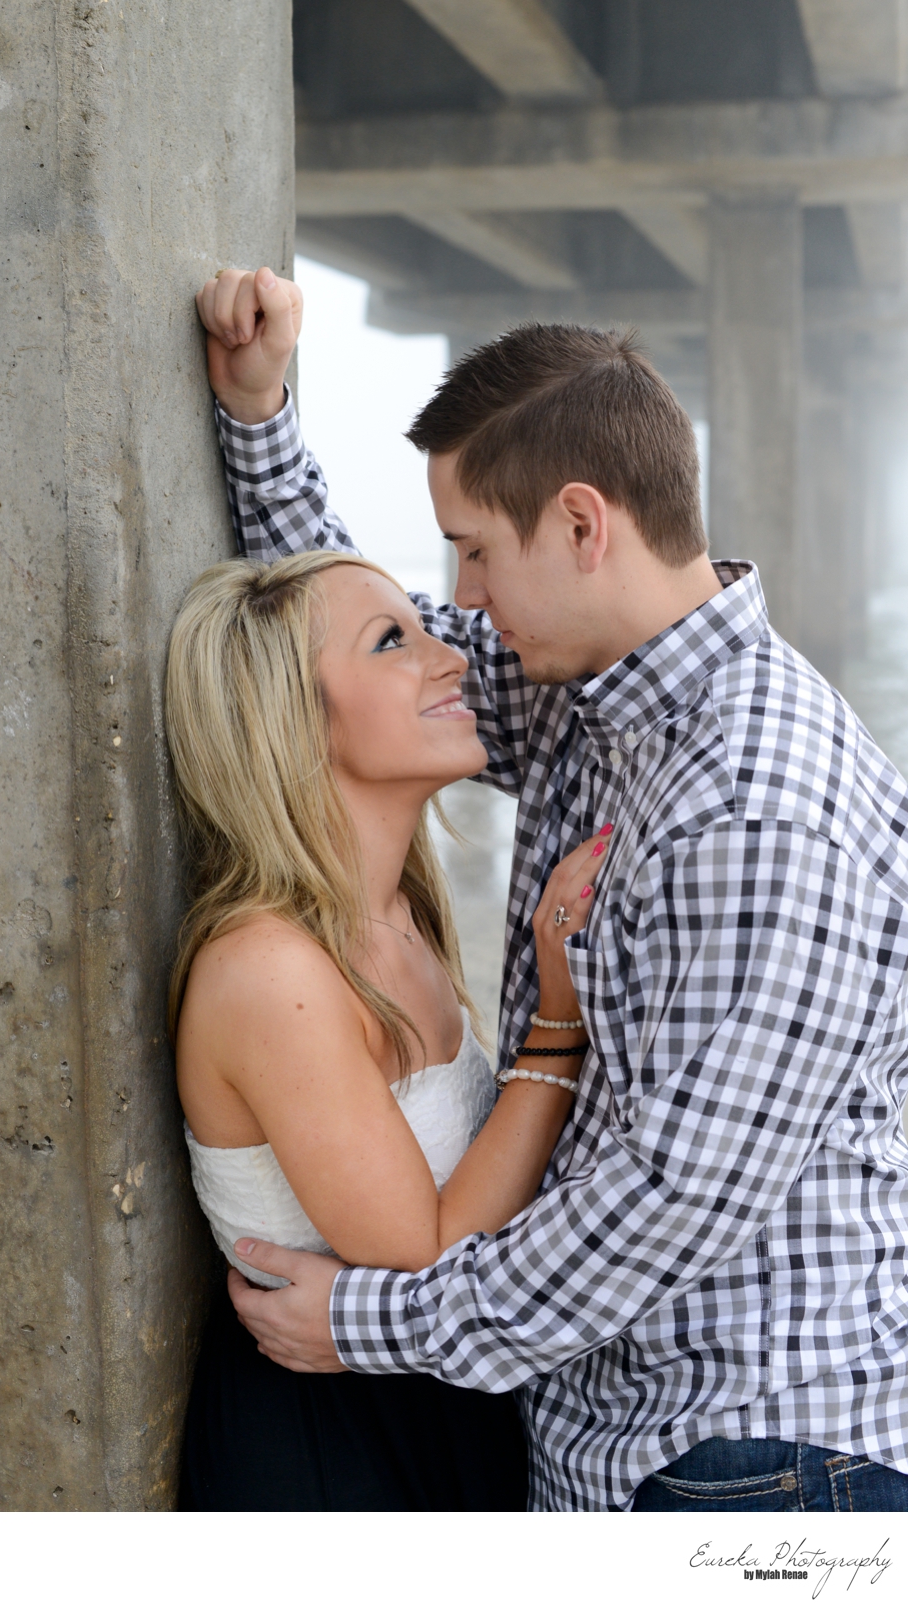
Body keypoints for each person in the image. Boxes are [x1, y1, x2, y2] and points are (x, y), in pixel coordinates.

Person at [191, 265, 908, 1512]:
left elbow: (662, 1207)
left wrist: (365, 1321)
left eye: (473, 550)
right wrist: (259, 420)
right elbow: (323, 656)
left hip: (747, 1461)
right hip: (615, 1436)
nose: (459, 600)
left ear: (581, 526)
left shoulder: (757, 814)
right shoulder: (584, 688)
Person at [166, 549, 610, 1509]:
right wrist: (559, 1026)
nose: (451, 657)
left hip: (443, 1407)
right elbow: (424, 1251)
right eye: (393, 642)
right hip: (332, 1454)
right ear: (295, 722)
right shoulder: (270, 970)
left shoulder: (402, 912)